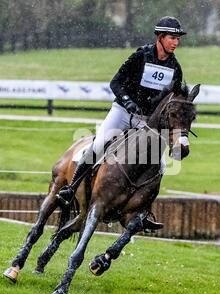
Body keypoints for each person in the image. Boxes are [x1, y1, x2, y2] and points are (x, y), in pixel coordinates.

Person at [57, 16, 187, 206]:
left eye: (178, 39)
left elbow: (172, 103)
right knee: (99, 144)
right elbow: (115, 82)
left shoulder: (175, 69)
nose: (176, 42)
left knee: (159, 163)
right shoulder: (140, 56)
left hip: (145, 121)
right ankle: (71, 188)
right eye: (172, 38)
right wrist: (128, 103)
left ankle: (143, 209)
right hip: (123, 112)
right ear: (160, 37)